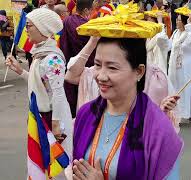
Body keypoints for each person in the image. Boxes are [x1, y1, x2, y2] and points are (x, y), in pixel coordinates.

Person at [71, 15, 183, 179]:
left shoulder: (158, 129)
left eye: (112, 68)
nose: (101, 76)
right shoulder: (86, 114)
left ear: (139, 71)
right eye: (97, 65)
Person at [5, 8, 73, 179]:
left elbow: (58, 94)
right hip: (39, 115)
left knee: (53, 163)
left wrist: (56, 125)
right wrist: (19, 70)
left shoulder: (52, 58)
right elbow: (40, 86)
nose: (25, 29)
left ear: (42, 28)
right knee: (41, 164)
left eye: (29, 26)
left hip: (49, 118)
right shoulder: (39, 54)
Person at [168, 10, 191, 123]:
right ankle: (177, 113)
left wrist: (189, 22)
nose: (177, 22)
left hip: (187, 65)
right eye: (177, 19)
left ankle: (188, 113)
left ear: (183, 22)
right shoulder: (175, 33)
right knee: (177, 88)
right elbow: (169, 45)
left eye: (179, 20)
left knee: (188, 88)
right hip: (176, 65)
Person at [60, 0, 94, 118]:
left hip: (69, 66)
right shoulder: (86, 27)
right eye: (90, 11)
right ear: (85, 10)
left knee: (71, 104)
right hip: (82, 69)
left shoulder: (67, 20)